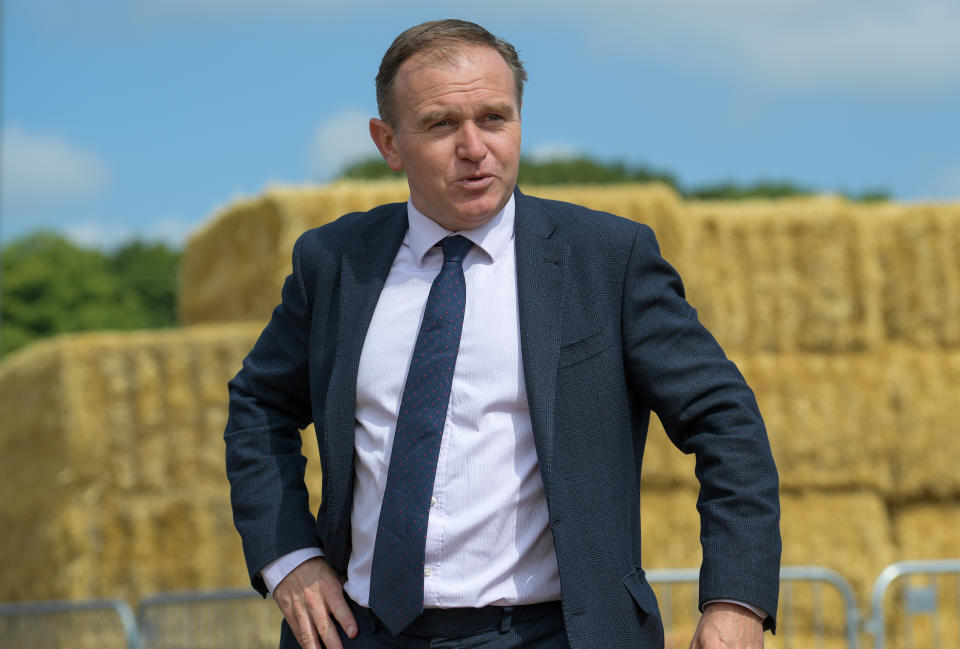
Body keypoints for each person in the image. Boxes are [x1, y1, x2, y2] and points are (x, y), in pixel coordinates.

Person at [225, 19, 780, 649]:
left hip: (555, 634)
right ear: (388, 142)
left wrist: (736, 600)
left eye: (494, 118)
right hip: (358, 632)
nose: (474, 147)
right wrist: (288, 557)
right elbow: (258, 406)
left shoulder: (605, 258)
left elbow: (725, 419)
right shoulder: (334, 262)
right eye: (441, 124)